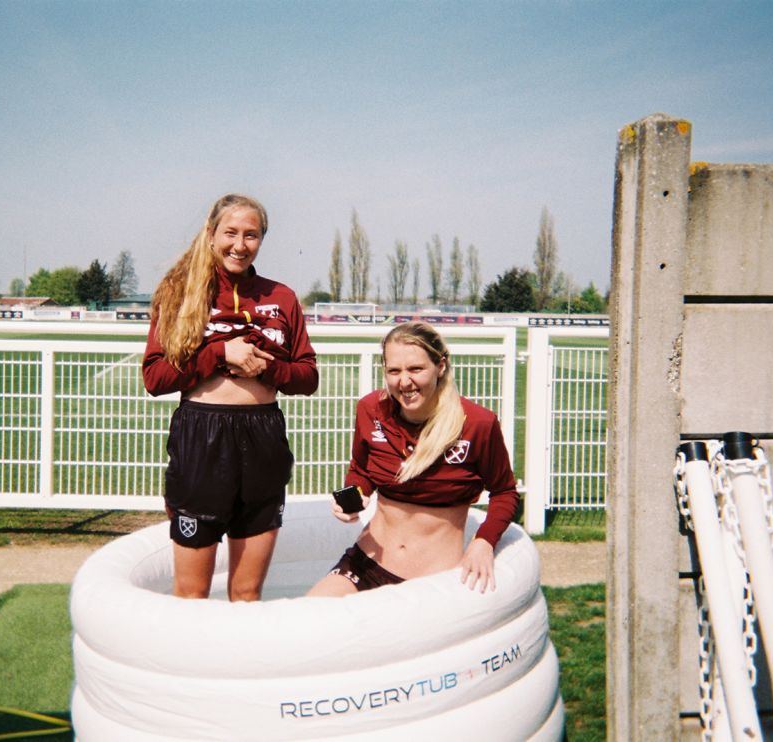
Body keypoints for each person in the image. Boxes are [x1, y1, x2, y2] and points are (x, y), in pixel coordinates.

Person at [142, 193, 318, 601]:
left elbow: (308, 377)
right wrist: (220, 353)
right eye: (231, 233)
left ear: (261, 240)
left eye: (251, 235)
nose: (240, 245)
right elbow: (155, 377)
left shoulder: (282, 298)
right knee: (190, 592)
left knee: (247, 592)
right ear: (211, 234)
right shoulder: (179, 294)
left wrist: (267, 368)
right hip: (202, 437)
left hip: (263, 439)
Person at [308, 321, 518, 597]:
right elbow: (362, 471)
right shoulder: (371, 409)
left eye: (415, 369)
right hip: (364, 564)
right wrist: (355, 494)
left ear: (440, 366)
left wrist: (483, 541)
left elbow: (505, 492)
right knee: (310, 620)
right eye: (394, 371)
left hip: (433, 580)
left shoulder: (477, 423)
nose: (404, 381)